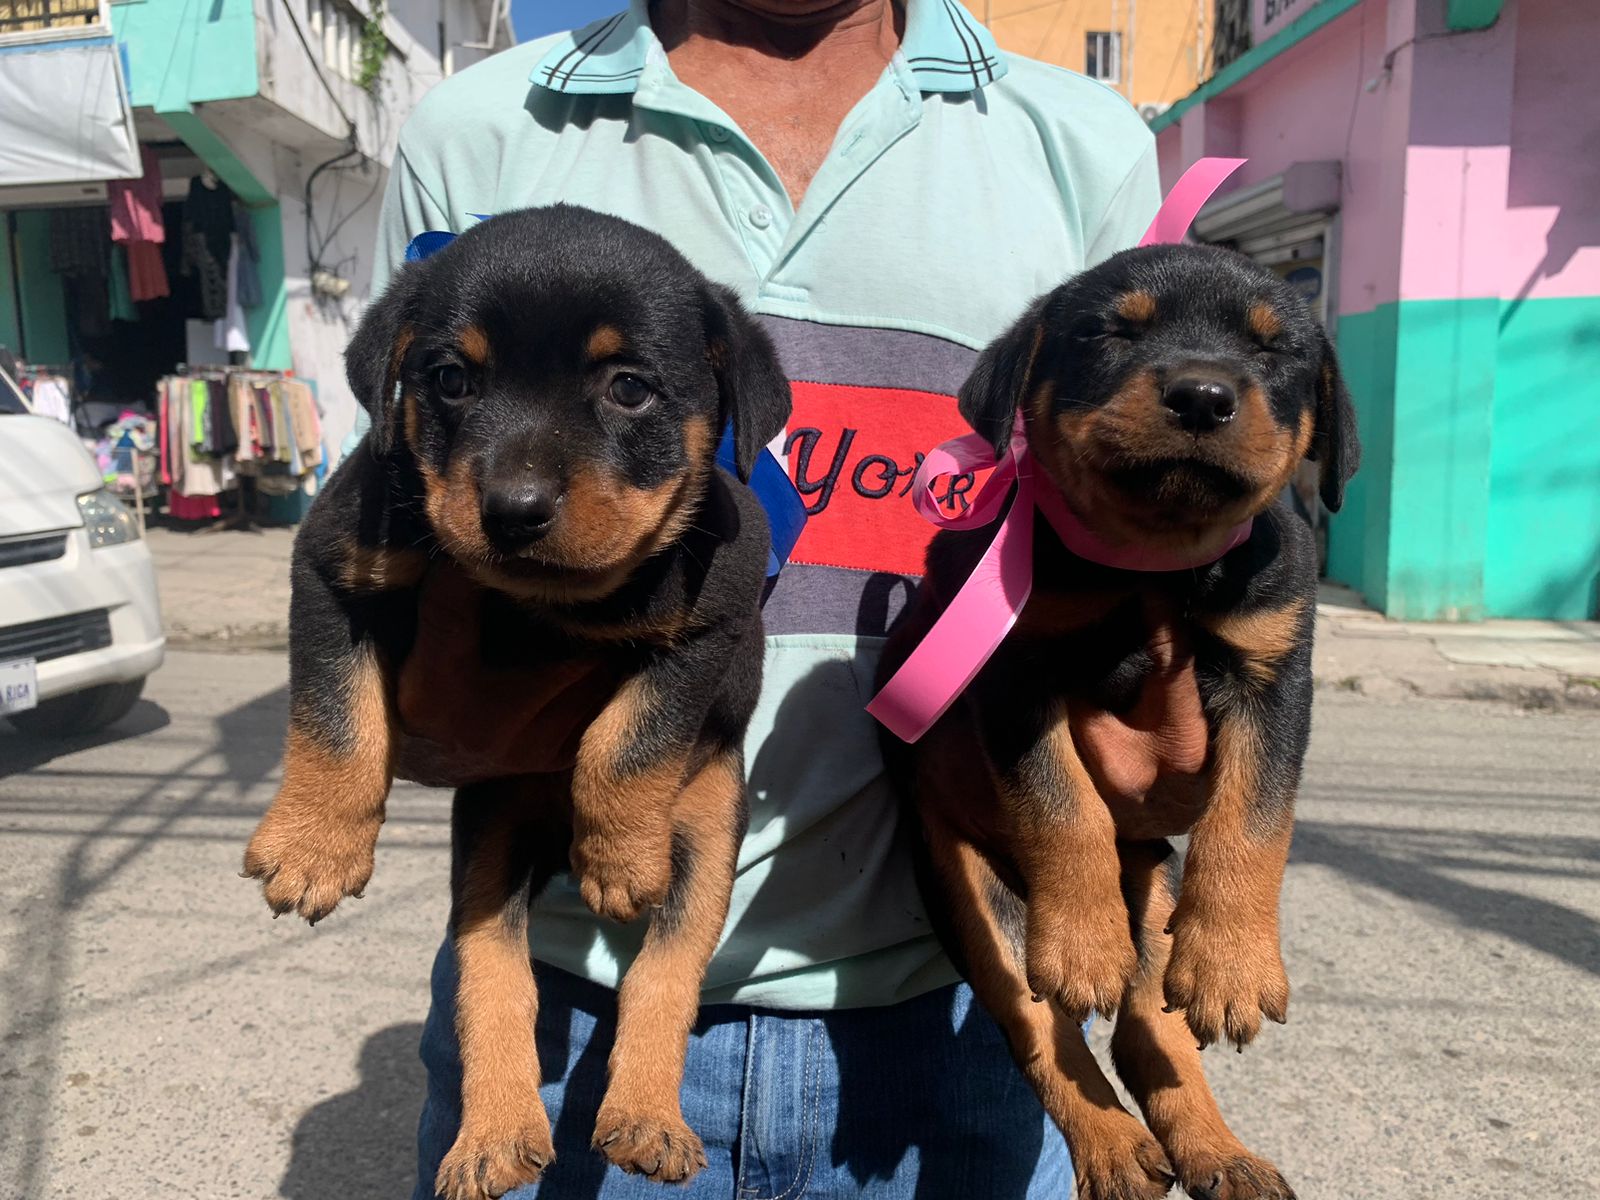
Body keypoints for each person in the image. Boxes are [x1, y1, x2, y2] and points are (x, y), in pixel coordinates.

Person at [356, 1, 1161, 1195]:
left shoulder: (1080, 144)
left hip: (962, 1016)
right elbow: (387, 580)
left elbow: (1138, 579)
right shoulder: (479, 131)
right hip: (563, 1016)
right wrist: (412, 723)